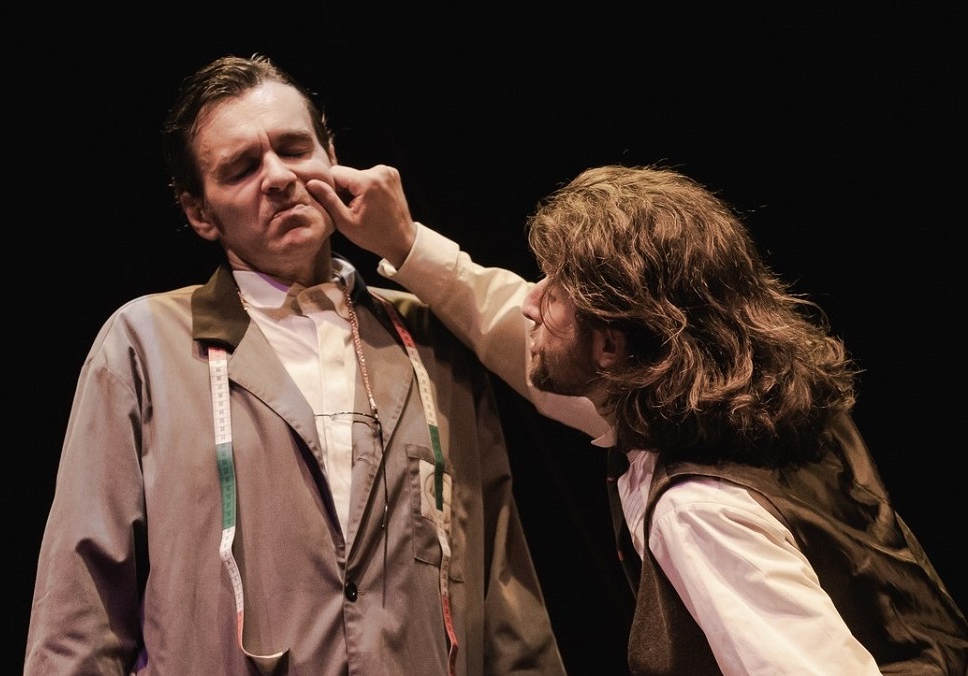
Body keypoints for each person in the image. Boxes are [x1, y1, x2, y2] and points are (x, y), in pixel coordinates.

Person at [23, 54, 567, 676]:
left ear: (332, 155)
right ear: (200, 213)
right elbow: (79, 612)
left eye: (294, 149)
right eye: (242, 168)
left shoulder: (431, 339)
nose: (279, 177)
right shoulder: (144, 344)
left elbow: (504, 597)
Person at [308, 163, 968, 674]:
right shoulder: (767, 412)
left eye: (554, 291)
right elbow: (520, 336)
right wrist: (404, 243)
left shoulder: (702, 507)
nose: (531, 303)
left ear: (610, 348)